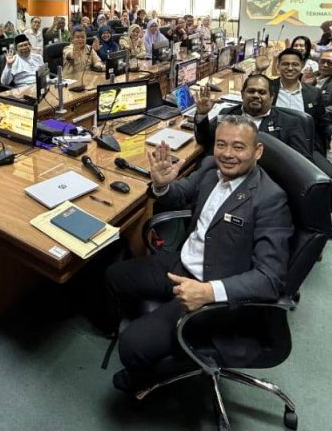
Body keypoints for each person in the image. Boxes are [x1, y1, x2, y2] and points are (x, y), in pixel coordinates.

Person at [105, 117, 292, 393]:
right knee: (114, 275)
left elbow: (270, 278)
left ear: (257, 151)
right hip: (181, 264)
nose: (227, 154)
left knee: (132, 346)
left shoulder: (270, 199)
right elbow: (179, 194)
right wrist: (162, 186)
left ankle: (147, 377)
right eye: (221, 144)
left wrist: (208, 292)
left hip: (211, 286)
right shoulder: (210, 168)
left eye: (238, 147)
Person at [193, 72, 310, 158]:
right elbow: (204, 140)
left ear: (271, 97)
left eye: (262, 92)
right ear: (242, 94)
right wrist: (202, 115)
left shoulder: (290, 123)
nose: (256, 95)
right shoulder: (227, 114)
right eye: (251, 91)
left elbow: (303, 164)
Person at [272, 49, 332, 161]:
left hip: (305, 144)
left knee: (328, 173)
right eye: (285, 64)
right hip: (274, 143)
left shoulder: (314, 93)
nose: (290, 68)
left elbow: (324, 121)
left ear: (302, 66)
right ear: (278, 66)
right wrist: (259, 70)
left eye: (295, 64)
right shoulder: (268, 88)